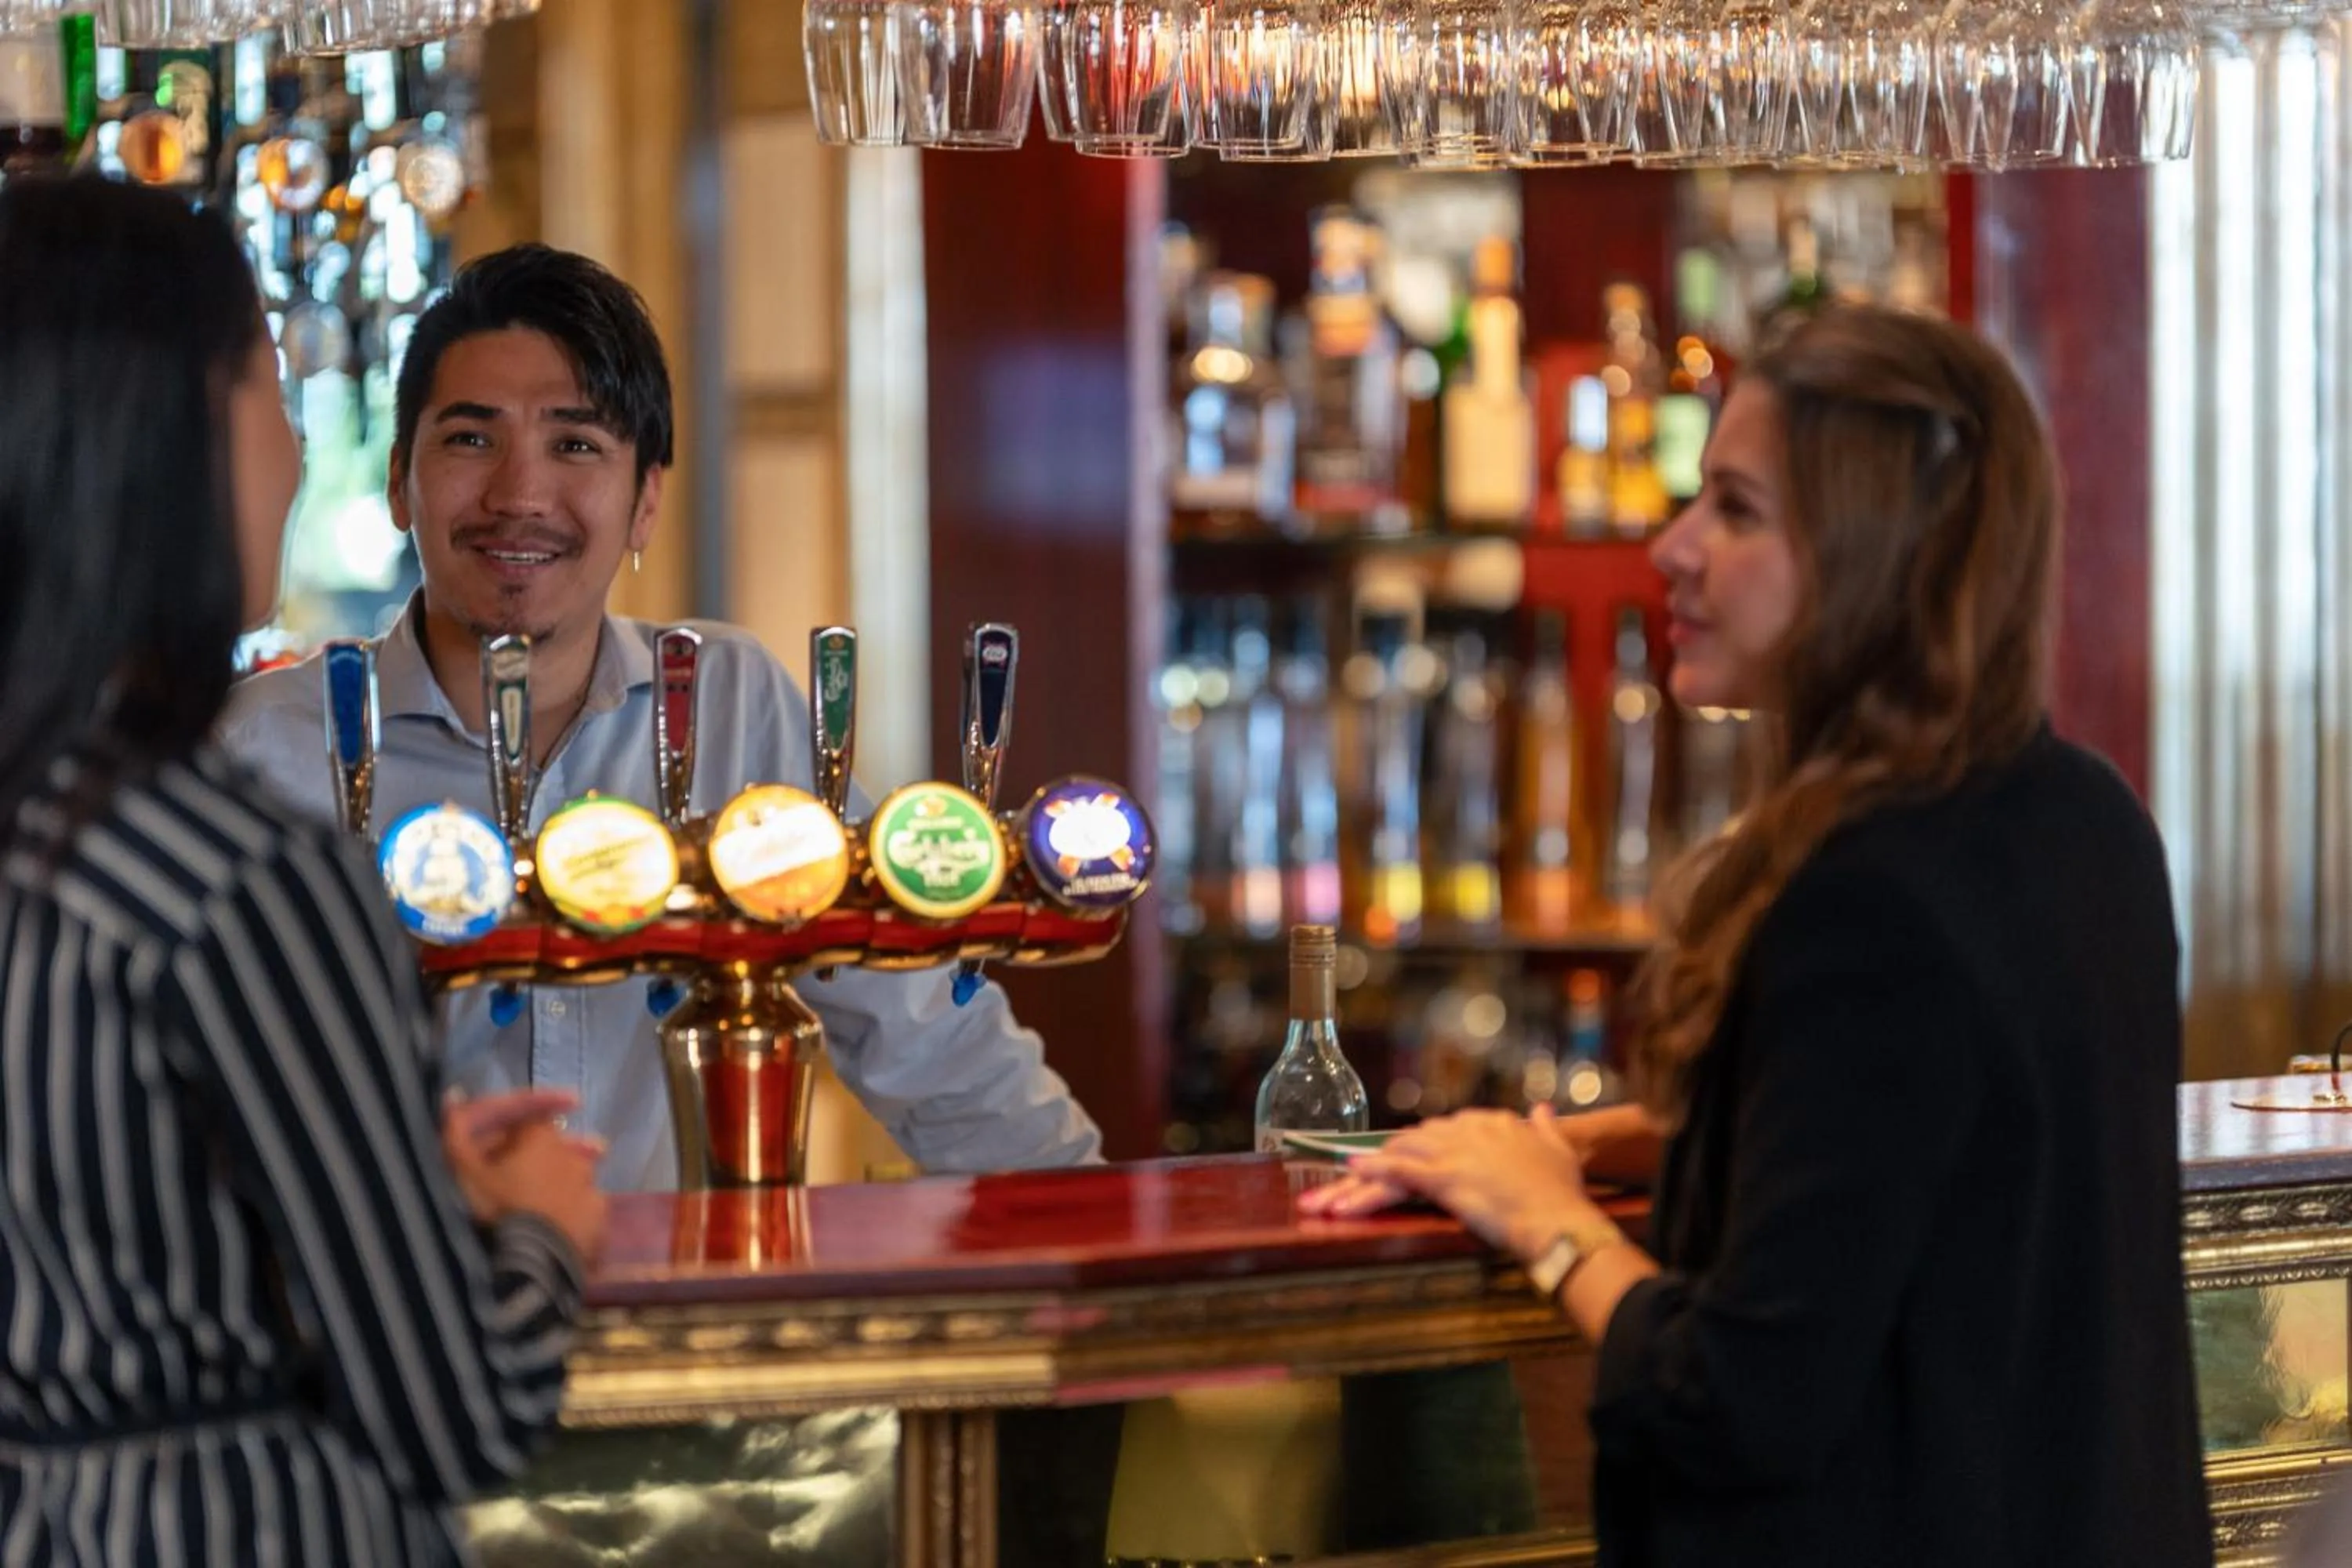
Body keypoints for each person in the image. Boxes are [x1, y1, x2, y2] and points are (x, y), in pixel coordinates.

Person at [1303, 306, 2215, 1566]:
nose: (1671, 547)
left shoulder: (1865, 894)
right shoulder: (2088, 817)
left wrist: (1546, 1220)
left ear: (1875, 553)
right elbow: (1928, 1151)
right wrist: (1592, 1140)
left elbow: (1737, 1399)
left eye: (1734, 510)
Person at [0, 176, 607, 1563]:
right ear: (175, 439)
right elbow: (459, 1410)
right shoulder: (236, 875)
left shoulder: (41, 825)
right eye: (269, 390)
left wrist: (366, 1151)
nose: (295, 441)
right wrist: (541, 1230)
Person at [221, 244, 1101, 1192]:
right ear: (401, 481)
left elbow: (927, 1036)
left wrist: (1096, 1222)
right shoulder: (261, 749)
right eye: (471, 439)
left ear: (645, 501)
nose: (519, 495)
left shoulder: (732, 702)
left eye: (576, 445)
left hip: (685, 1284)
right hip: (394, 1281)